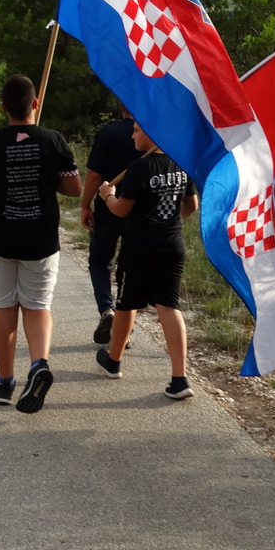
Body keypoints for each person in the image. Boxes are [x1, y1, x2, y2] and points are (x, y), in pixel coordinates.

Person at [0, 75, 81, 413]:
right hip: (41, 238)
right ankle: (38, 364)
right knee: (37, 305)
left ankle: (4, 382)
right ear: (35, 104)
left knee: (4, 306)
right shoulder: (53, 140)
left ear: (3, 108)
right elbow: (73, 189)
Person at [94, 122, 199, 400]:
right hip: (172, 245)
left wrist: (107, 196)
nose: (132, 135)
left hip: (140, 247)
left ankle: (114, 362)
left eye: (137, 130)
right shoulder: (180, 163)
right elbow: (190, 208)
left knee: (127, 303)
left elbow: (121, 210)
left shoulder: (140, 167)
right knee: (168, 306)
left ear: (153, 134)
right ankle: (180, 378)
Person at [80, 104, 137, 345]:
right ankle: (125, 324)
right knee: (129, 269)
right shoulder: (154, 136)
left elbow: (94, 175)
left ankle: (108, 311)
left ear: (121, 106)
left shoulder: (108, 133)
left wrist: (86, 205)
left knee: (100, 262)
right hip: (138, 215)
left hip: (107, 211)